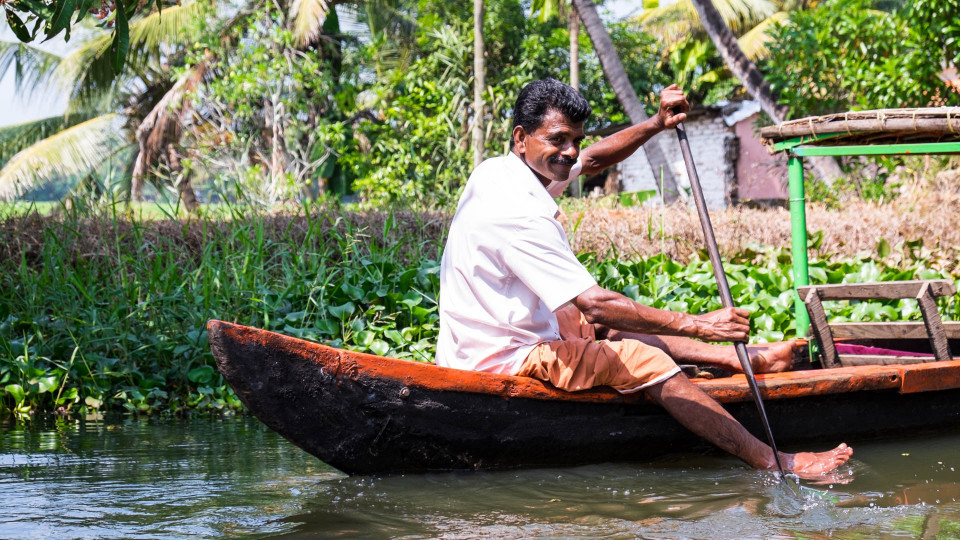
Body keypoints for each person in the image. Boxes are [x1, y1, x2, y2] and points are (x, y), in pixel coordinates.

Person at [435, 78, 852, 477]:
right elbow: (595, 300)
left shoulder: (499, 171)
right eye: (558, 139)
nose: (569, 151)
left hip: (485, 337)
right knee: (639, 355)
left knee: (597, 324)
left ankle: (739, 359)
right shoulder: (519, 211)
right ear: (521, 137)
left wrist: (655, 124)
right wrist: (700, 325)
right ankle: (774, 461)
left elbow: (595, 158)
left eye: (574, 139)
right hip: (502, 359)